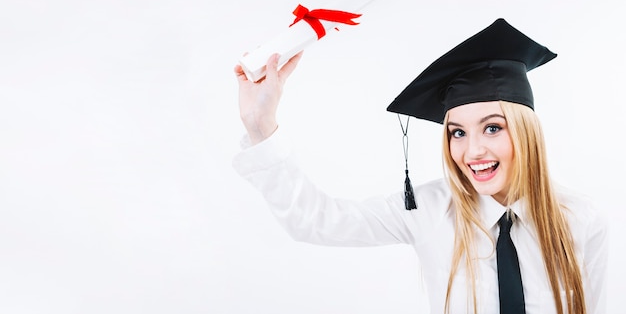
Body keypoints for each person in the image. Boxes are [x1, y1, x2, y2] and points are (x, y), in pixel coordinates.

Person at [232, 18, 608, 314]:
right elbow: (316, 220)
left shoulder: (580, 218)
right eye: (457, 133)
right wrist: (260, 125)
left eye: (492, 128)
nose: (472, 150)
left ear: (527, 132)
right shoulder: (428, 209)